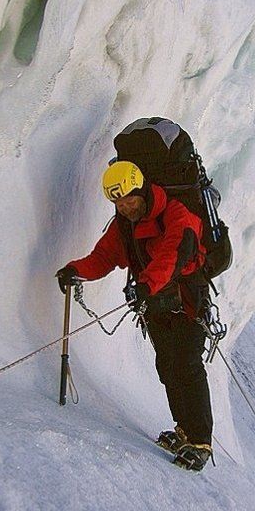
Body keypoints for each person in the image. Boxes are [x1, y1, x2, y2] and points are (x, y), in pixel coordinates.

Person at [56, 160, 214, 471]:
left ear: (142, 190)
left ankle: (201, 442)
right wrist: (76, 270)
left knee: (187, 365)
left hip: (186, 301)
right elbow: (103, 257)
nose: (125, 207)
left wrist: (146, 284)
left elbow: (172, 256)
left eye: (129, 200)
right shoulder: (124, 225)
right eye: (118, 203)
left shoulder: (177, 215)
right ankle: (184, 429)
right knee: (167, 364)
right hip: (154, 303)